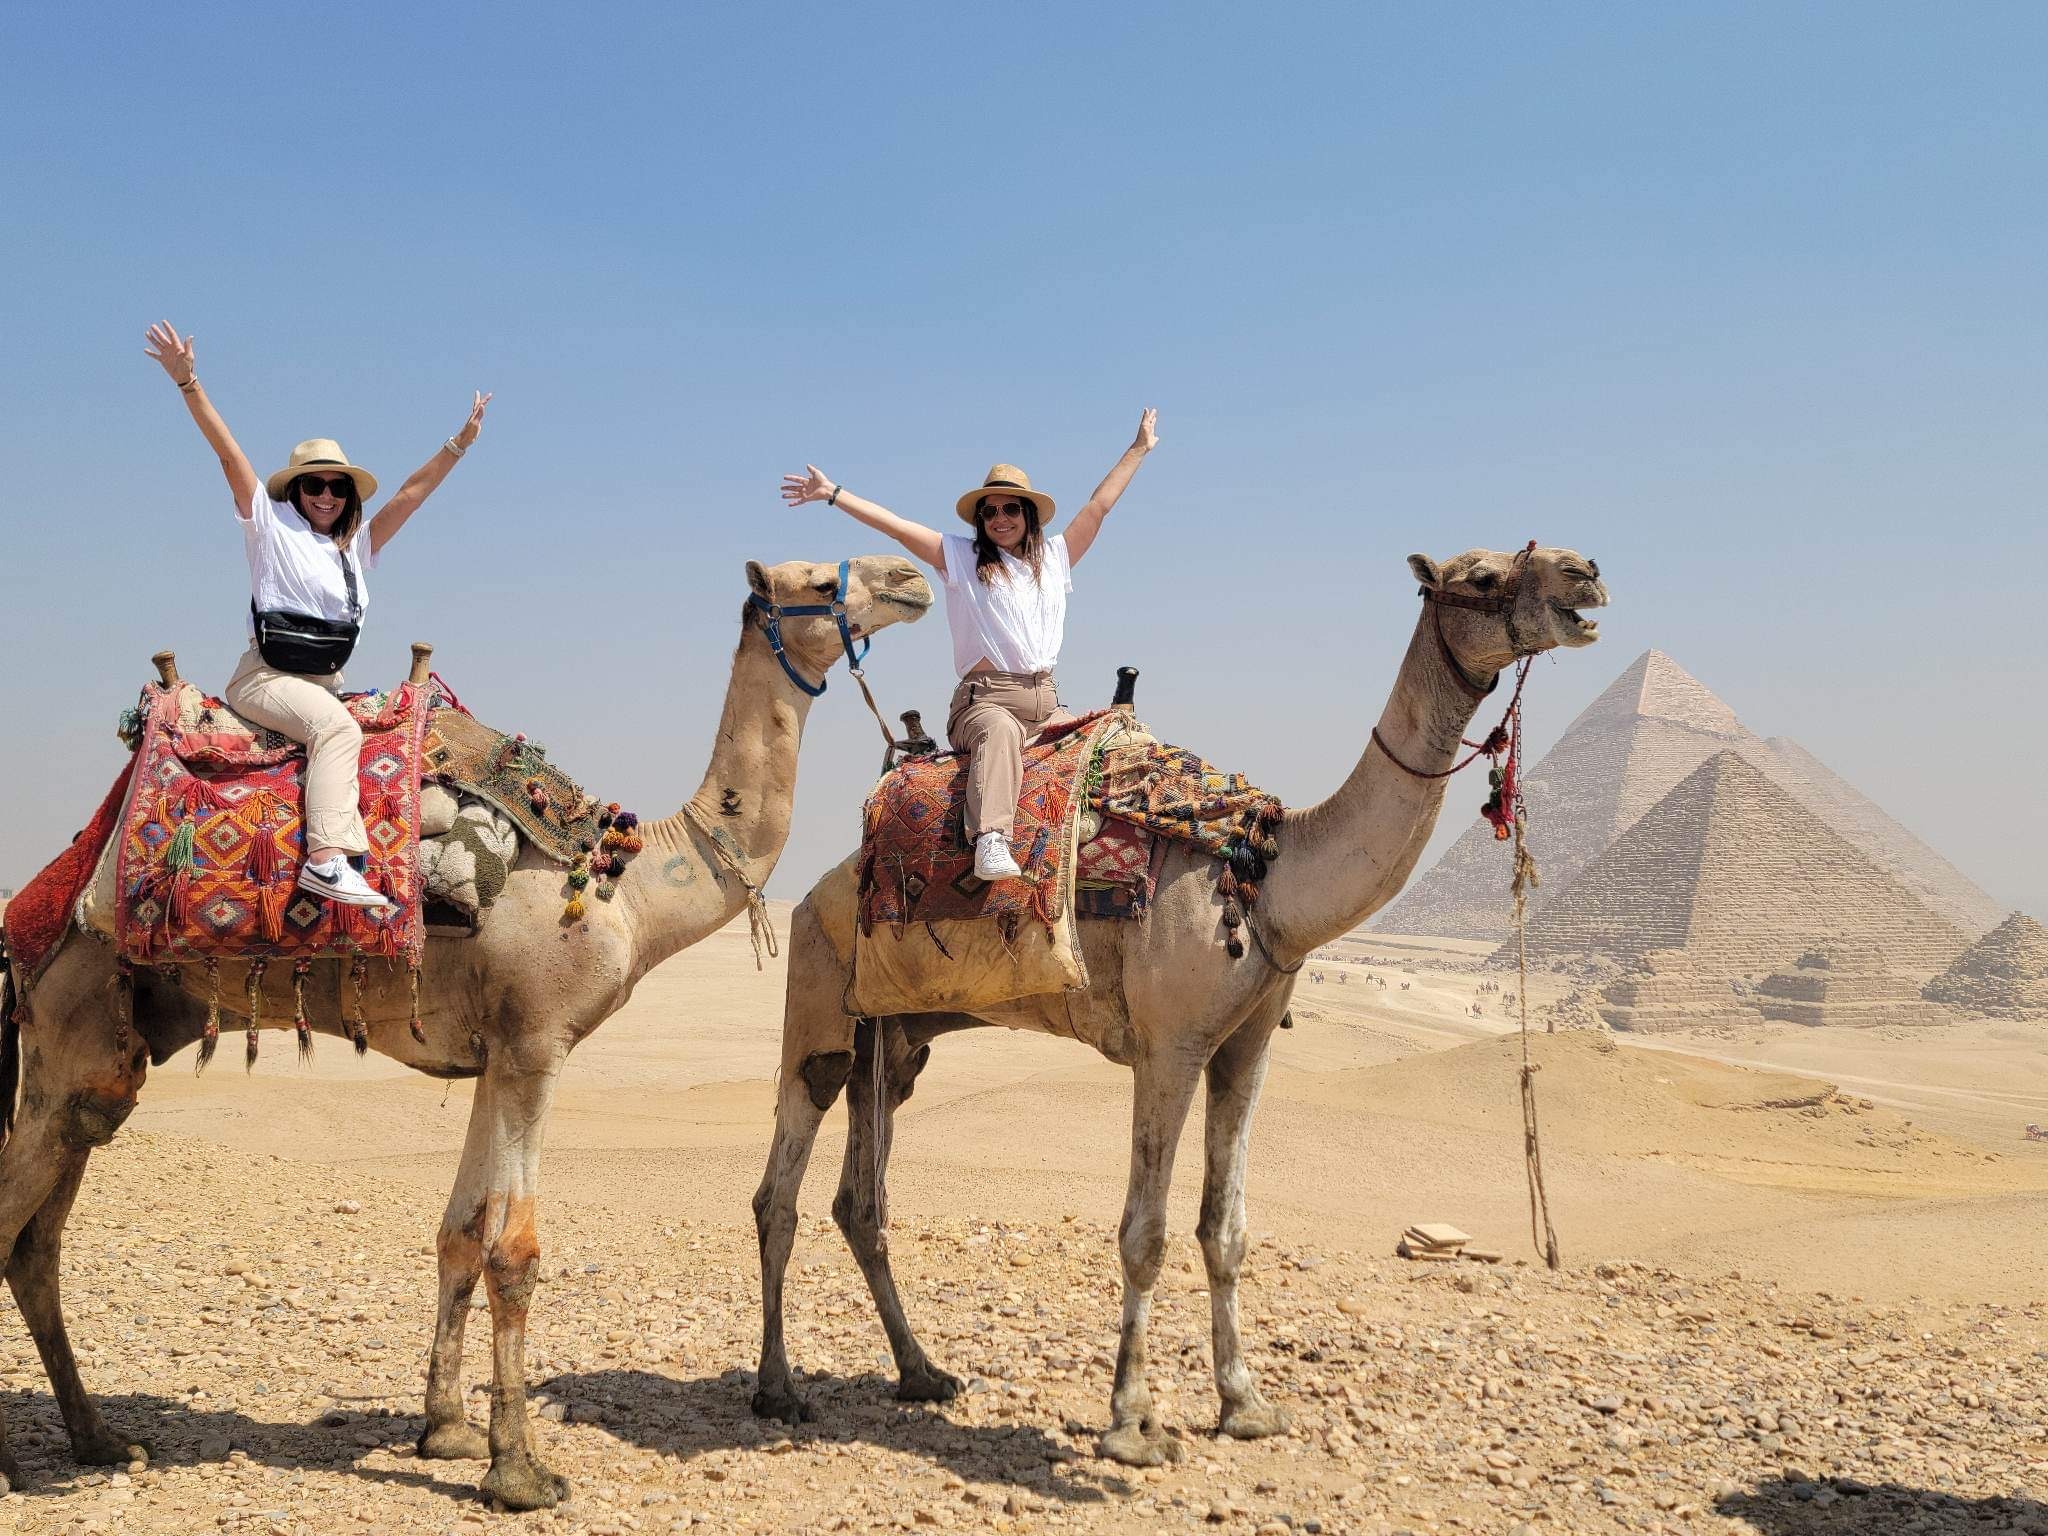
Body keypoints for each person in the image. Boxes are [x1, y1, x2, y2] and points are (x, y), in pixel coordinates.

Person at [144, 320, 490, 908]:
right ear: (296, 490)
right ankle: (328, 860)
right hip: (267, 678)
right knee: (338, 730)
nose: (326, 495)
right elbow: (229, 455)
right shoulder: (270, 528)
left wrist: (459, 444)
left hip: (326, 682)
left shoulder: (358, 547)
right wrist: (188, 382)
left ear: (349, 494)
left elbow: (411, 493)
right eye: (314, 485)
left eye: (337, 486)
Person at [782, 409, 1158, 880]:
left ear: (1029, 515)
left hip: (1046, 704)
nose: (1000, 518)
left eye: (1011, 508)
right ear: (981, 519)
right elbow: (897, 527)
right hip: (985, 703)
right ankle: (991, 840)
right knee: (998, 733)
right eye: (991, 510)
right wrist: (833, 494)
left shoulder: (1056, 559)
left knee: (1115, 736)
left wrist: (1138, 449)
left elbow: (1098, 506)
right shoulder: (959, 558)